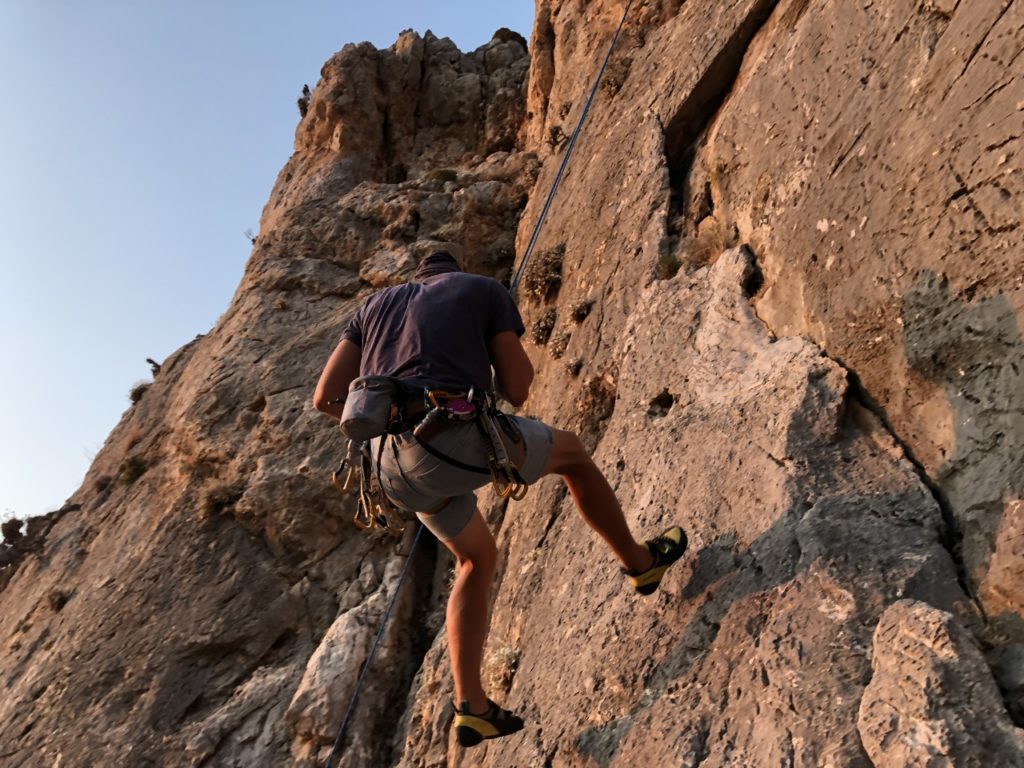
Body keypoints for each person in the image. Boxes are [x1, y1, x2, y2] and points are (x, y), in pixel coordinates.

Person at [313, 251, 687, 747]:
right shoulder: (481, 288)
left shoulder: (372, 308)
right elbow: (518, 388)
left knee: (475, 559)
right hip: (448, 437)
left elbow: (324, 400)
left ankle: (472, 706)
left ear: (417, 275)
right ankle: (640, 563)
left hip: (387, 466)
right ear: (454, 269)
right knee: (573, 456)